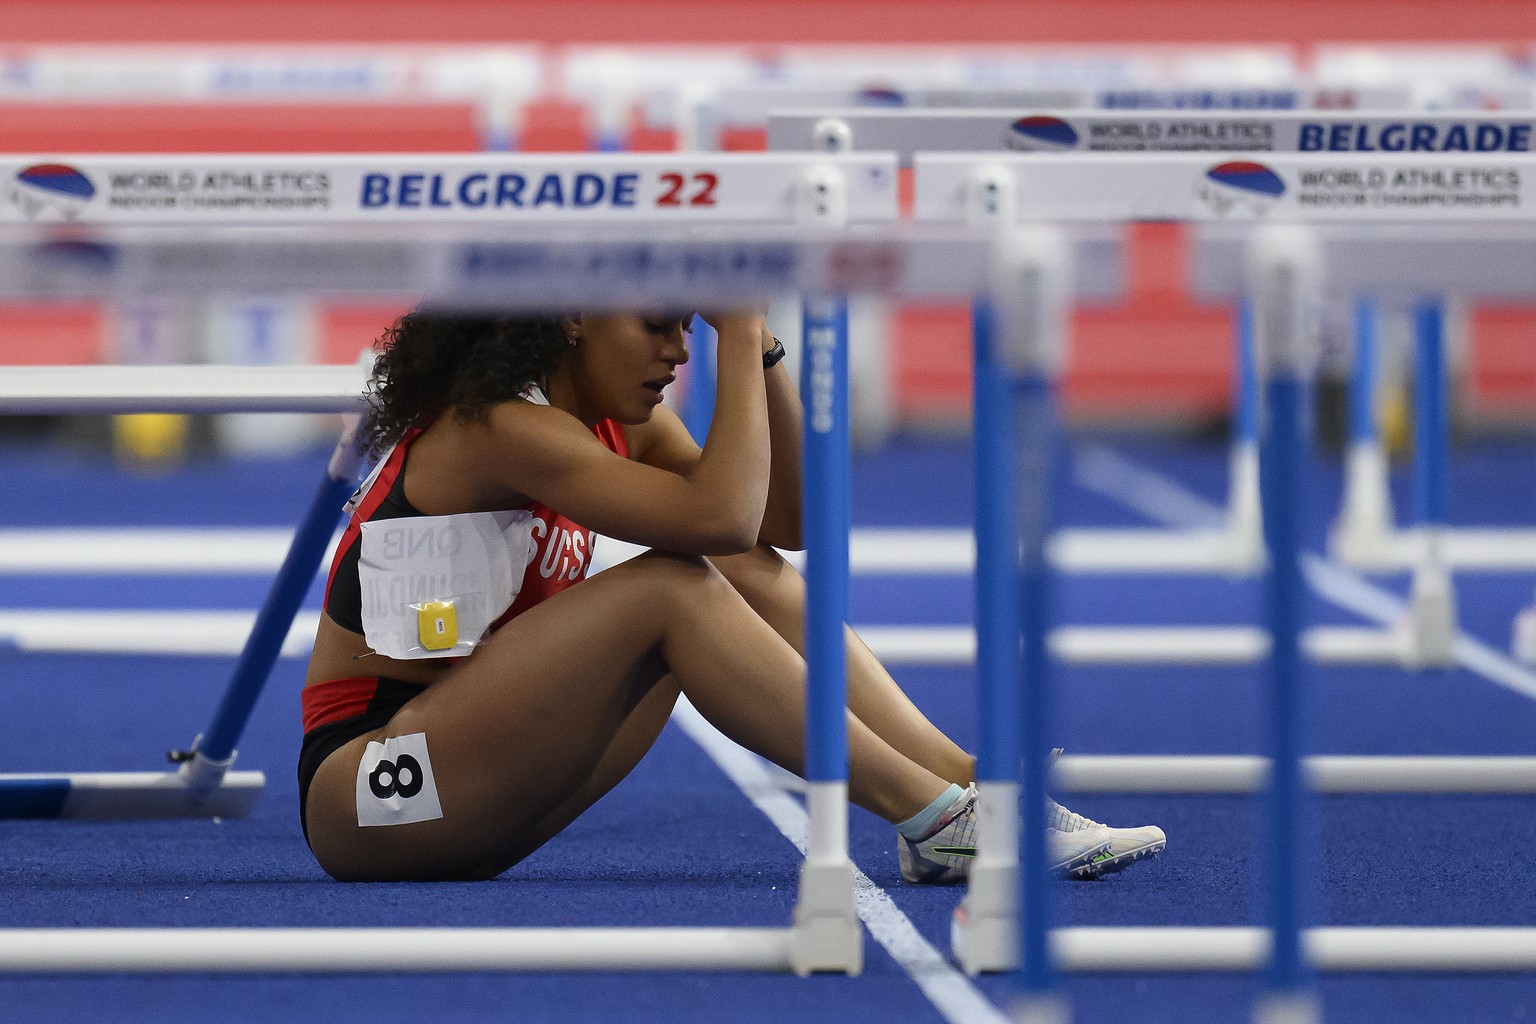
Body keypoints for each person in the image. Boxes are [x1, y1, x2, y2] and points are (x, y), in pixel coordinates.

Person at [297, 307, 1165, 884]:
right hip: (371, 788)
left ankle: (969, 784)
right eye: (657, 325)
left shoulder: (619, 421)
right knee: (675, 584)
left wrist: (766, 345)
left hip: (470, 770)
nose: (679, 350)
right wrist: (739, 332)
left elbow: (782, 523)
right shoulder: (495, 423)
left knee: (738, 569)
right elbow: (716, 515)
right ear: (569, 315)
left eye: (690, 323)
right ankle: (938, 819)